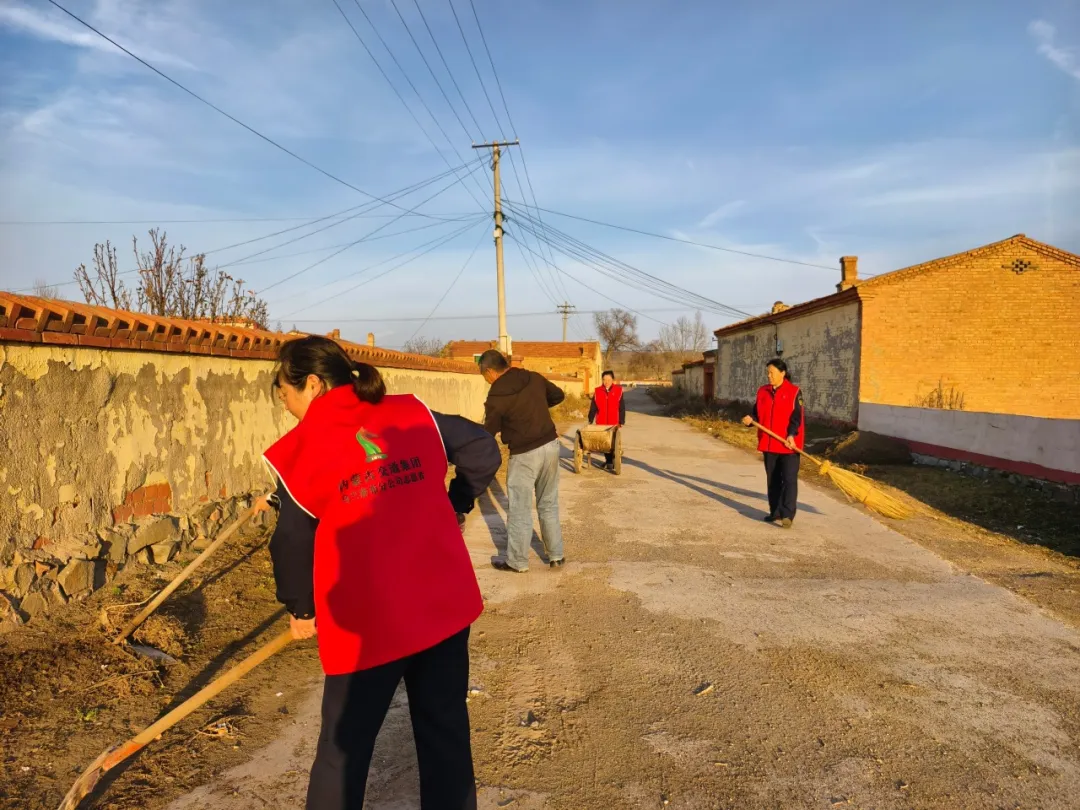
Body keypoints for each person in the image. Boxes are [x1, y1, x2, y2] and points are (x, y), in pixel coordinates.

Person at [262, 335, 500, 810]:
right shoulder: (412, 412)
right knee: (445, 730)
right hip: (442, 606)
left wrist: (302, 608)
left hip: (369, 623)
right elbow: (481, 450)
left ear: (311, 384)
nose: (286, 406)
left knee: (342, 751)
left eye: (285, 394)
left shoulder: (304, 445)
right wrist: (456, 501)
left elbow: (291, 542)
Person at [478, 349, 565, 572]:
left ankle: (517, 561)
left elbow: (489, 432)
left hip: (524, 455)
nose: (486, 381)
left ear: (490, 371)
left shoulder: (496, 395)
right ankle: (556, 555)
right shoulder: (533, 377)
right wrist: (536, 408)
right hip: (551, 446)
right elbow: (558, 395)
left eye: (484, 376)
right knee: (548, 503)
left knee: (519, 509)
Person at [741, 358, 805, 528]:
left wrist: (792, 434)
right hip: (769, 444)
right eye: (767, 372)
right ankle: (775, 512)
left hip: (788, 444)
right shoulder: (763, 391)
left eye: (772, 372)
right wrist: (750, 419)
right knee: (773, 480)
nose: (769, 376)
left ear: (782, 373)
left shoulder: (794, 392)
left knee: (789, 480)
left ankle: (787, 515)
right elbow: (756, 413)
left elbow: (796, 418)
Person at [588, 369, 626, 470]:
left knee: (613, 443)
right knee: (605, 443)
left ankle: (614, 458)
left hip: (614, 422)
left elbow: (621, 407)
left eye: (608, 379)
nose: (606, 382)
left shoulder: (618, 391)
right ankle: (609, 461)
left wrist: (621, 421)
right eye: (604, 379)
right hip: (601, 422)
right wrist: (590, 419)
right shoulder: (597, 391)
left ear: (612, 380)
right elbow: (593, 407)